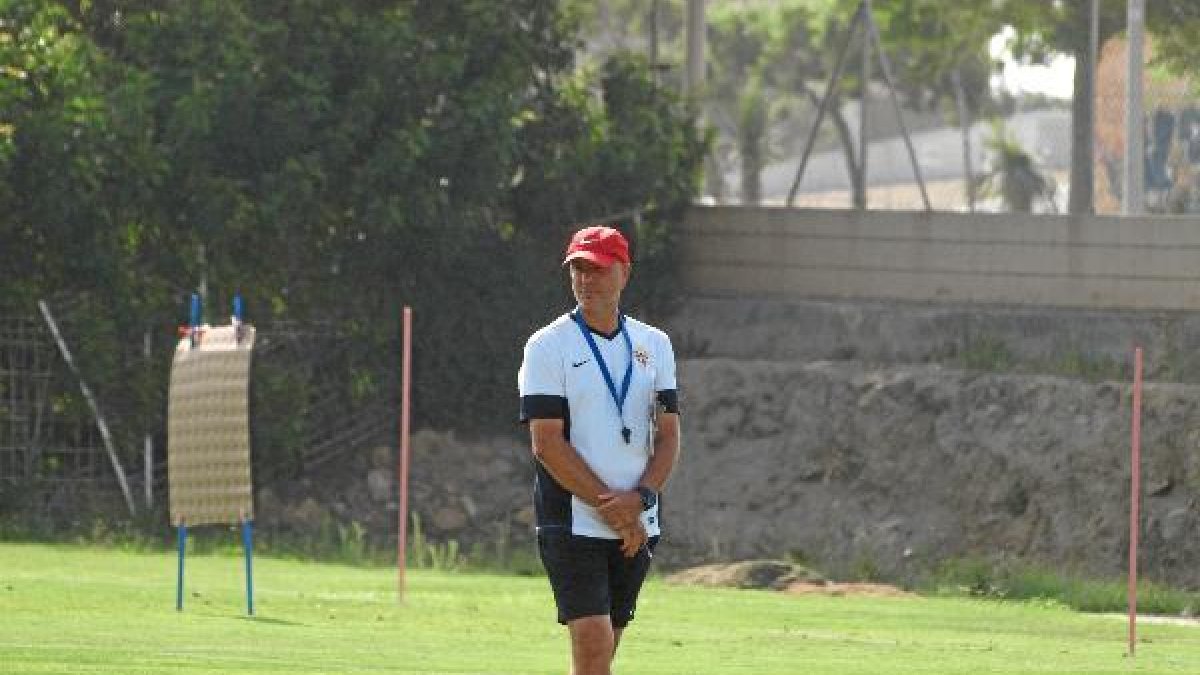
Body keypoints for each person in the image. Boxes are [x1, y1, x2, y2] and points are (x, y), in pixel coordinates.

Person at [518, 225, 682, 675]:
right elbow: (546, 443)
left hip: (638, 521)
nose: (586, 279)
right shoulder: (547, 346)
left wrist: (640, 500)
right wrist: (615, 510)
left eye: (597, 269)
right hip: (572, 518)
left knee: (603, 652)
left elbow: (668, 436)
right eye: (578, 269)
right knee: (593, 642)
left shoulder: (655, 344)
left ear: (624, 273)